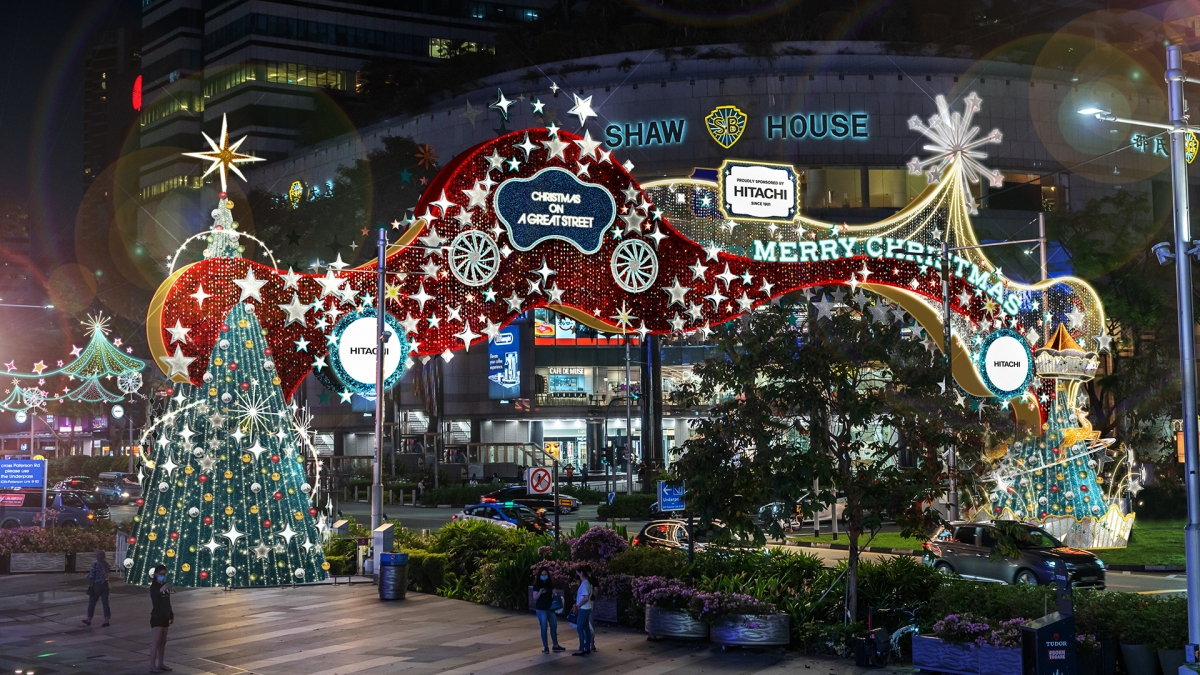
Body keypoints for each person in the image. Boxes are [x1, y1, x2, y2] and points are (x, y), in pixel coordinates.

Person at [531, 567, 565, 654]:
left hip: (550, 608)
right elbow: (534, 597)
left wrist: (553, 592)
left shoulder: (550, 584)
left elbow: (553, 593)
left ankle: (555, 645)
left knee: (553, 626)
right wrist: (540, 592)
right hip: (541, 609)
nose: (544, 576)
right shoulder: (537, 585)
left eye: (545, 574)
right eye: (542, 575)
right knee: (544, 627)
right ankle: (546, 647)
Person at [149, 564, 174, 673]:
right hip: (157, 617)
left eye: (164, 574)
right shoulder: (154, 587)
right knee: (156, 641)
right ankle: (152, 665)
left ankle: (161, 663)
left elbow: (167, 601)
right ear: (155, 575)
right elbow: (155, 597)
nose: (162, 576)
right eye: (160, 574)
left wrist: (171, 614)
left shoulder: (165, 585)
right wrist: (161, 590)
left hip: (165, 616)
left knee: (163, 641)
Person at [82, 549, 111, 627]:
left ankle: (89, 619)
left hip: (97, 585)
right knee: (105, 603)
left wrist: (87, 576)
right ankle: (106, 620)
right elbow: (109, 570)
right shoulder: (106, 564)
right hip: (106, 584)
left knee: (92, 602)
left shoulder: (95, 565)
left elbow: (91, 575)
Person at [571, 566, 594, 656]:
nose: (577, 575)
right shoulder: (588, 583)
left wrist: (578, 605)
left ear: (581, 573)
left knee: (580, 628)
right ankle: (587, 647)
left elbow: (585, 597)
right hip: (587, 608)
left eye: (578, 573)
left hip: (583, 609)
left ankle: (581, 648)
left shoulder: (584, 584)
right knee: (586, 629)